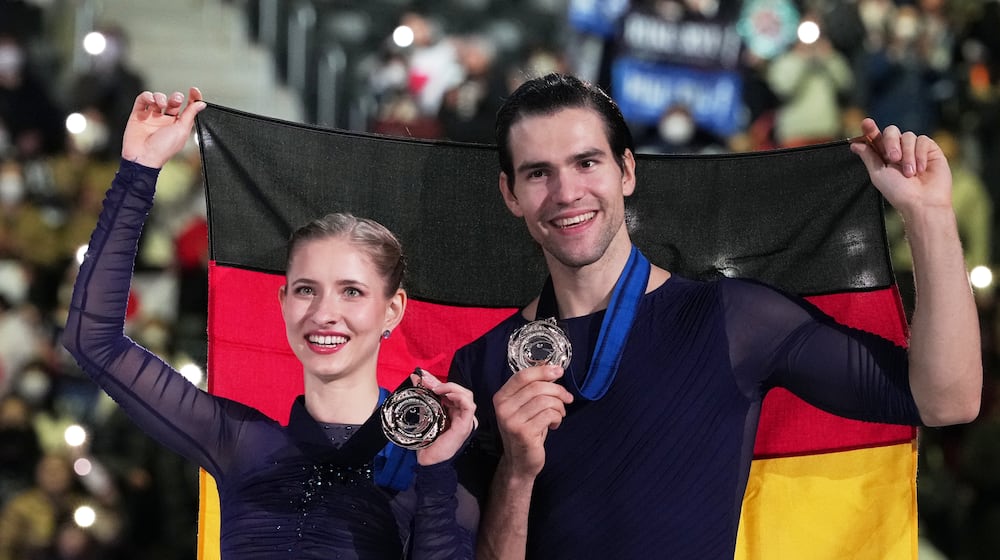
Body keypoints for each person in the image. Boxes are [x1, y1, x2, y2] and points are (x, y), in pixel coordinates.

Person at [447, 73, 983, 558]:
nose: (567, 193)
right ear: (510, 194)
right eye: (538, 173)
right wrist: (516, 475)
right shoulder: (484, 367)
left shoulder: (732, 321)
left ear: (626, 170)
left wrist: (928, 214)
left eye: (587, 163)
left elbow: (946, 400)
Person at [61, 88, 478, 559]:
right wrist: (138, 171)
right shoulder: (238, 440)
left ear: (393, 310)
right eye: (306, 289)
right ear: (282, 302)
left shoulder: (430, 468)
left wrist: (438, 469)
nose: (324, 312)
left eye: (352, 291)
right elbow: (92, 340)